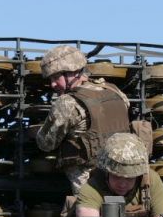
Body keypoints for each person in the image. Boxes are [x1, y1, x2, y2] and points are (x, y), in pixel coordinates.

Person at [35, 45, 131, 193]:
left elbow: (46, 143)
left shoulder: (67, 102)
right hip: (125, 176)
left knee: (87, 215)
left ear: (72, 72)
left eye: (55, 77)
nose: (52, 84)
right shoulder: (114, 91)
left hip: (90, 181)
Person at [76, 133, 163, 217]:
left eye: (129, 178)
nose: (122, 184)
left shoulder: (151, 181)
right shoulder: (93, 186)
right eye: (117, 176)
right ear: (107, 172)